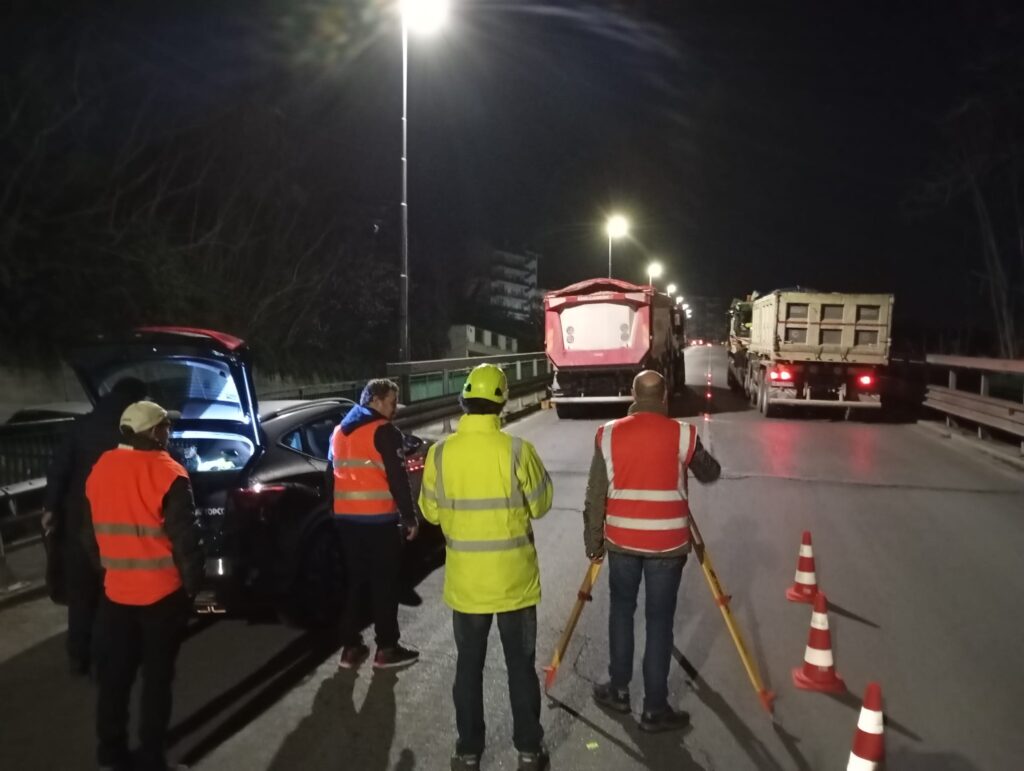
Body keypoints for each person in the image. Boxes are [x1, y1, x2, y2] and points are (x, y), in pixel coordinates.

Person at [419, 364, 554, 771]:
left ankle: (468, 751)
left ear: (463, 402)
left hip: (467, 585)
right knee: (520, 669)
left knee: (468, 669)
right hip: (515, 583)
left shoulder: (439, 453)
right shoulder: (517, 450)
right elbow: (541, 505)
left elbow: (430, 512)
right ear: (502, 402)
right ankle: (529, 751)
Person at [582, 370, 721, 732]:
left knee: (621, 613)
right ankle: (655, 708)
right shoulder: (683, 434)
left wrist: (593, 542)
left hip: (623, 544)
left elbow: (596, 494)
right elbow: (709, 473)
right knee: (659, 622)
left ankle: (618, 690)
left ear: (631, 393)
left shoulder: (608, 434)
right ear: (664, 398)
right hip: (668, 546)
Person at [82, 400, 203, 771]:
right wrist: (194, 588)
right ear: (154, 432)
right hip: (160, 596)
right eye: (166, 427)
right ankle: (152, 759)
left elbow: (89, 535)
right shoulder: (168, 472)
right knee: (156, 680)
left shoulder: (101, 467)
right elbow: (186, 541)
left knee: (114, 679)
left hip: (116, 594)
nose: (169, 433)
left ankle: (111, 755)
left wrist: (108, 573)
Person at [41, 377, 148, 675]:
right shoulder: (134, 431)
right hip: (119, 521)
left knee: (81, 593)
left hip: (77, 520)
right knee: (114, 592)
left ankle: (78, 654)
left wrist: (50, 508)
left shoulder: (80, 427)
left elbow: (59, 469)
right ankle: (111, 657)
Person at [332, 378, 420, 670]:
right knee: (384, 584)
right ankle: (387, 648)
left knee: (354, 583)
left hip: (345, 521)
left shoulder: (339, 433)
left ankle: (350, 647)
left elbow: (331, 474)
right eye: (392, 402)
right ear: (376, 400)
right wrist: (409, 517)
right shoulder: (384, 432)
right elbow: (398, 479)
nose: (395, 409)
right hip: (378, 521)